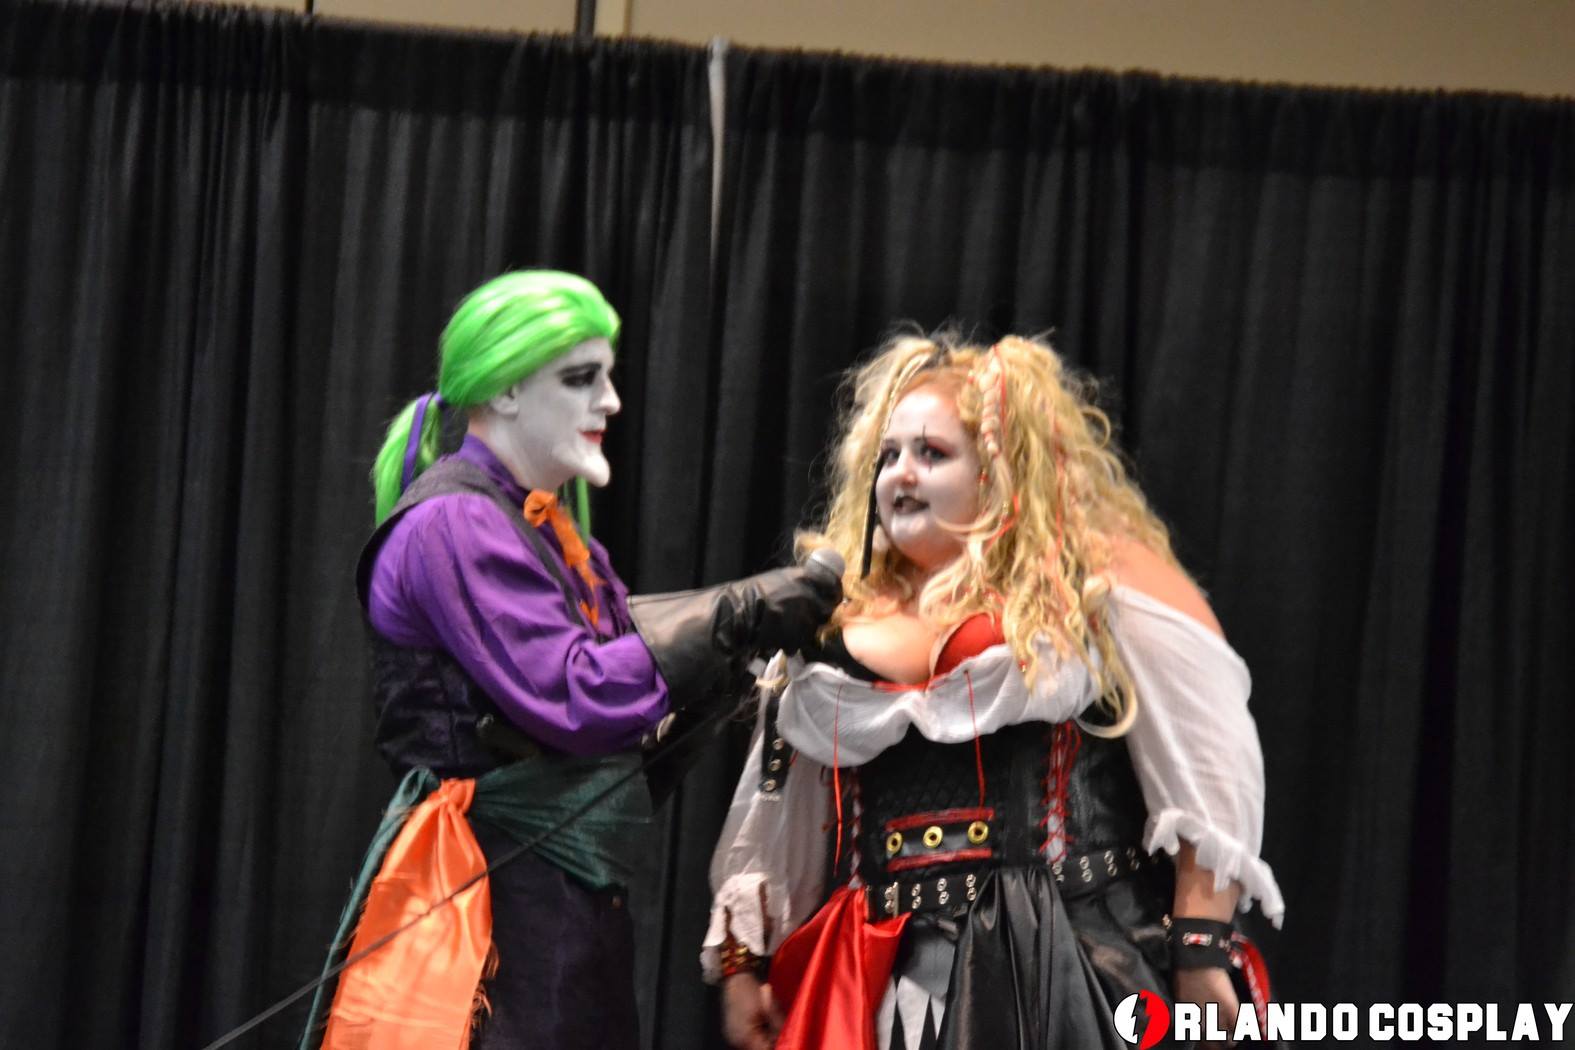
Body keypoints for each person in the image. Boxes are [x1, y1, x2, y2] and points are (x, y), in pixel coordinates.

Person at [300, 271, 841, 1050]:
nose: (610, 402)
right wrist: (740, 614)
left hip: (559, 917)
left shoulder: (554, 536)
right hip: (490, 923)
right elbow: (578, 694)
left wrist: (729, 653)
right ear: (506, 390)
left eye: (607, 377)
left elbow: (623, 710)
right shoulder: (453, 524)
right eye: (581, 379)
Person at [703, 333, 1285, 1049]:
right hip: (874, 978)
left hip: (1064, 965)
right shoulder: (828, 623)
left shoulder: (1087, 594)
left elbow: (1208, 759)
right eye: (888, 454)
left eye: (931, 453)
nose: (901, 472)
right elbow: (773, 807)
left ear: (999, 473)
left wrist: (1200, 948)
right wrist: (744, 965)